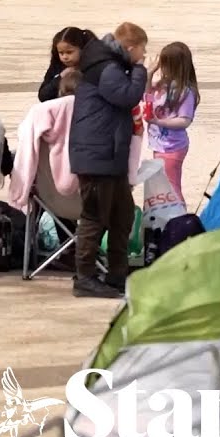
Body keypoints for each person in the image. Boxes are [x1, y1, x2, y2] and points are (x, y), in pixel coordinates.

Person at [69, 22, 149, 298]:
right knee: (94, 216)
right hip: (97, 154)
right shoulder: (108, 68)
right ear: (130, 48)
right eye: (142, 51)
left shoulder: (108, 65)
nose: (144, 56)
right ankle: (85, 277)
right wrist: (140, 71)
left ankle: (117, 273)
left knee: (122, 214)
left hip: (109, 153)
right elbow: (127, 96)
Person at [144, 42, 199, 207]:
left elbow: (185, 120)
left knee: (171, 187)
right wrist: (149, 73)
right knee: (163, 187)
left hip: (172, 146)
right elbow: (146, 96)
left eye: (166, 65)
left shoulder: (185, 91)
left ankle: (180, 220)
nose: (162, 69)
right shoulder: (163, 85)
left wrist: (159, 122)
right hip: (159, 145)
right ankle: (167, 218)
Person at [39, 27, 96, 102]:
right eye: (61, 53)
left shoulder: (94, 67)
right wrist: (60, 77)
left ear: (83, 49)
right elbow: (43, 96)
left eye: (69, 52)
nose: (64, 57)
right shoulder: (57, 67)